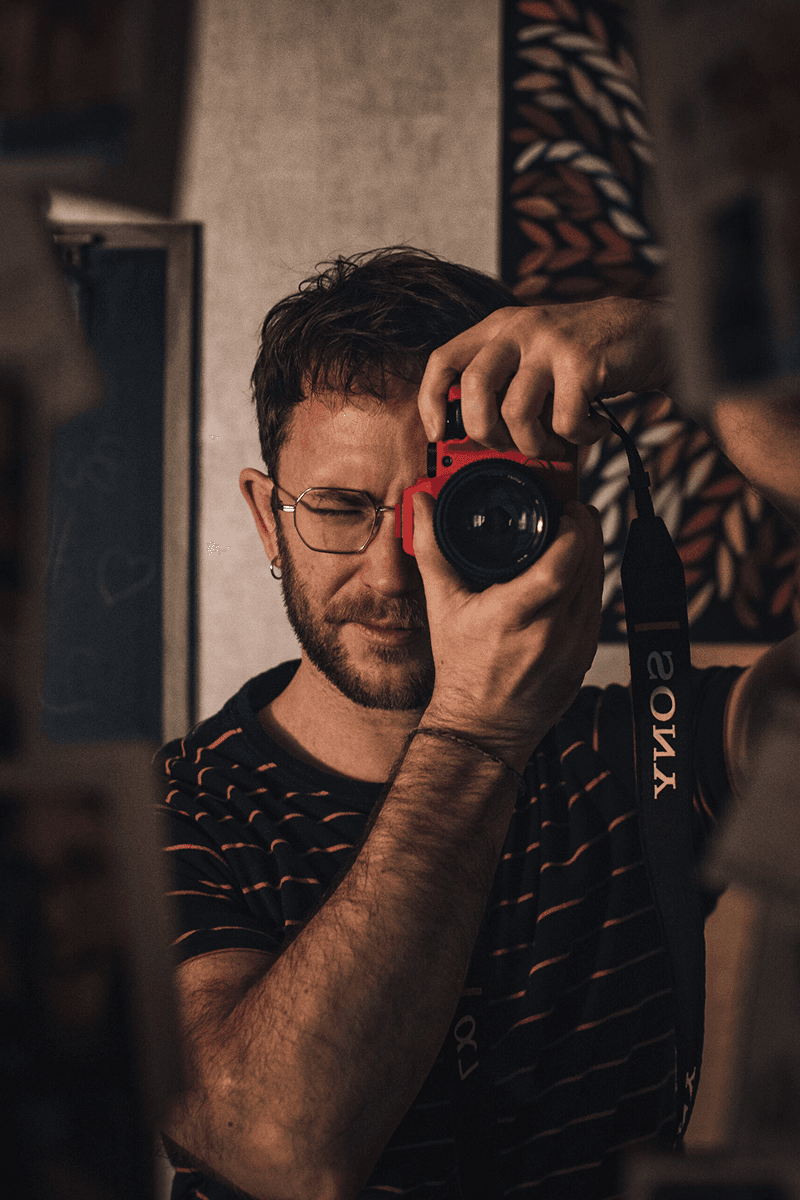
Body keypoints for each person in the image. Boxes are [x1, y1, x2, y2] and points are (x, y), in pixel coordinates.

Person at [157, 247, 800, 1200]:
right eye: (339, 508)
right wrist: (475, 736)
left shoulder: (647, 752)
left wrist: (694, 348)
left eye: (447, 508)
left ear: (549, 506)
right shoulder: (164, 813)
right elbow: (283, 1144)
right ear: (264, 517)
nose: (388, 573)